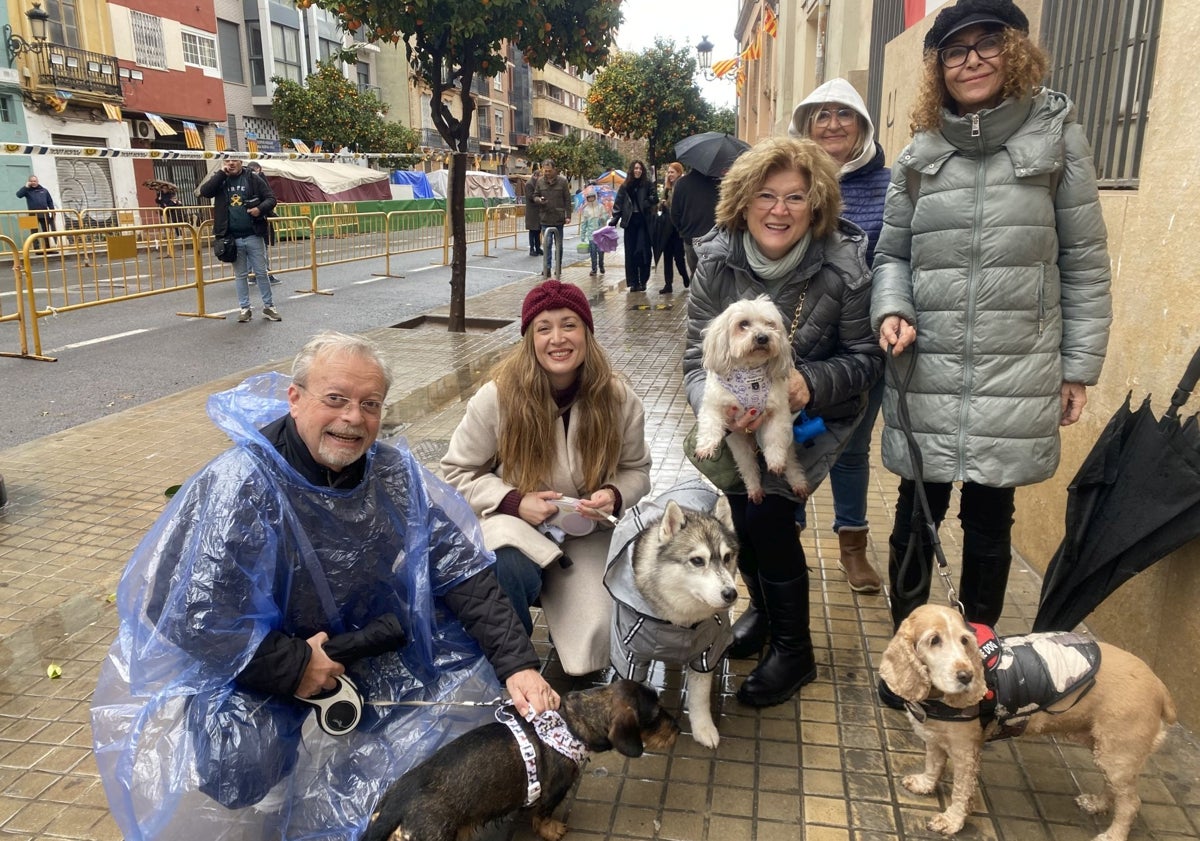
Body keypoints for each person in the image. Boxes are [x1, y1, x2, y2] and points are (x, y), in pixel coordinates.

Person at [91, 331, 559, 841]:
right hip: (255, 670)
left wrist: (518, 666)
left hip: (360, 646)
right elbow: (180, 608)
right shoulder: (240, 483)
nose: (353, 418)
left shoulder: (393, 474)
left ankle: (388, 800)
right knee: (241, 758)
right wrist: (291, 666)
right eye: (335, 399)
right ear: (295, 398)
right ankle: (268, 812)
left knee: (462, 668)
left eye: (370, 404)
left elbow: (462, 572)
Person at [870, 0, 1112, 707]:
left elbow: (1085, 260)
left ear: (1015, 54)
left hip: (1017, 365)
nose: (970, 60)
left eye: (986, 45)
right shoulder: (919, 153)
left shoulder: (1056, 139)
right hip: (928, 365)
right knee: (915, 517)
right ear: (938, 69)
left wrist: (1078, 366)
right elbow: (892, 254)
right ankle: (909, 664)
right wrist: (893, 307)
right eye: (955, 50)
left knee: (988, 522)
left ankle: (975, 666)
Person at [683, 136, 882, 707]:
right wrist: (714, 405)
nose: (779, 209)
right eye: (766, 195)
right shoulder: (716, 263)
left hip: (815, 414)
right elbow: (694, 360)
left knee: (769, 516)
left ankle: (795, 652)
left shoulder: (843, 266)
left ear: (815, 206)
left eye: (796, 197)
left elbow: (865, 359)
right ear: (743, 202)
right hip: (734, 410)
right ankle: (766, 619)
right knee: (745, 515)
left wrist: (808, 384)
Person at [442, 280, 652, 675]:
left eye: (569, 325)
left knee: (594, 645)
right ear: (529, 338)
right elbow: (455, 471)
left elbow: (637, 470)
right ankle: (512, 666)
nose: (558, 339)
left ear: (586, 333)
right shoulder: (498, 397)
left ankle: (566, 619)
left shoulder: (618, 398)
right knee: (503, 566)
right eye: (544, 328)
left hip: (585, 534)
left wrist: (613, 494)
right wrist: (514, 501)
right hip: (516, 528)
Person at [784, 77, 894, 594]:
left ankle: (852, 546)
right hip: (798, 340)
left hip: (858, 345)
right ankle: (789, 541)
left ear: (862, 126)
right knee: (791, 444)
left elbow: (895, 259)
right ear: (805, 125)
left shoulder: (889, 185)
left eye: (843, 114)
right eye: (820, 114)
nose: (831, 124)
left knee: (850, 448)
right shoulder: (791, 180)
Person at [199, 158, 281, 323]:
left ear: (240, 161)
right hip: (232, 237)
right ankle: (245, 309)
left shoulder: (252, 177)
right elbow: (205, 192)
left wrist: (260, 209)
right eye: (227, 160)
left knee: (261, 273)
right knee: (240, 275)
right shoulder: (221, 179)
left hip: (253, 234)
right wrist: (221, 174)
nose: (231, 163)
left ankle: (269, 307)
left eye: (234, 160)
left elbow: (271, 199)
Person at [609, 160, 657, 292]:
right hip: (630, 223)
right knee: (630, 253)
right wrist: (614, 219)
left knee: (642, 252)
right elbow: (618, 203)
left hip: (643, 222)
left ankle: (643, 281)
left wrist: (646, 203)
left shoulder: (647, 184)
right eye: (635, 168)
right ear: (632, 170)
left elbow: (654, 198)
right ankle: (633, 281)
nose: (638, 170)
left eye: (640, 168)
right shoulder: (625, 186)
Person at [669, 167, 720, 277]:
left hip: (690, 237)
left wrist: (682, 230)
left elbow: (674, 213)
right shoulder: (717, 182)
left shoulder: (681, 184)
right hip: (713, 237)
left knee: (696, 275)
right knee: (715, 277)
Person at [530, 159, 572, 278]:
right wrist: (539, 200)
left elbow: (567, 199)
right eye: (545, 171)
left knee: (559, 245)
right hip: (545, 217)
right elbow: (535, 196)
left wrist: (568, 215)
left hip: (558, 218)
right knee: (547, 244)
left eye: (549, 170)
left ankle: (558, 267)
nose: (547, 173)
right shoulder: (540, 181)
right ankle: (546, 268)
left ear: (554, 169)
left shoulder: (562, 181)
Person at [655, 162, 689, 294]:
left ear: (679, 173)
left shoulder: (682, 187)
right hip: (666, 228)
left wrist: (668, 204)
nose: (669, 175)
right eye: (668, 172)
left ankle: (685, 276)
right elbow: (659, 206)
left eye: (672, 172)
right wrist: (662, 204)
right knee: (667, 256)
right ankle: (668, 284)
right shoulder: (667, 188)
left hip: (677, 229)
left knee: (679, 257)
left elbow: (681, 207)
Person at [247, 161, 281, 284]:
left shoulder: (242, 179)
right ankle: (265, 274)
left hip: (246, 222)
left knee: (251, 251)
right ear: (259, 169)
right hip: (259, 219)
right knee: (261, 249)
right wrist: (269, 213)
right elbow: (270, 199)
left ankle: (252, 275)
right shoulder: (259, 179)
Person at [16, 174, 56, 247]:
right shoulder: (27, 191)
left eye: (34, 181)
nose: (33, 182)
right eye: (31, 181)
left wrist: (52, 211)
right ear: (29, 182)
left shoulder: (44, 190)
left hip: (44, 214)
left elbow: (50, 201)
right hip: (32, 214)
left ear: (37, 181)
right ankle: (37, 249)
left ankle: (48, 248)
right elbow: (19, 195)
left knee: (46, 232)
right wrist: (25, 187)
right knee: (34, 233)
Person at [578, 186, 607, 276]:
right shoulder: (586, 209)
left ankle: (601, 265)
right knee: (593, 252)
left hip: (601, 234)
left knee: (601, 252)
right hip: (591, 235)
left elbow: (606, 217)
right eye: (589, 197)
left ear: (595, 197)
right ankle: (594, 269)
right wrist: (582, 234)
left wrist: (602, 218)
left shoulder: (601, 207)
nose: (591, 198)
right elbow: (584, 223)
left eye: (592, 197)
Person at [524, 176, 543, 257]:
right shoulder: (529, 184)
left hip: (538, 211)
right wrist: (539, 199)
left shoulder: (538, 183)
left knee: (538, 230)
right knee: (532, 231)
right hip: (532, 211)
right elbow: (530, 197)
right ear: (536, 176)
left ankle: (538, 248)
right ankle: (532, 249)